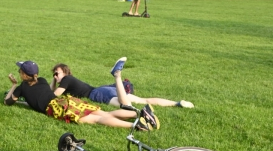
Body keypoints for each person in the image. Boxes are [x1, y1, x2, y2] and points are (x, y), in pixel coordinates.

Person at [4, 59, 159, 130]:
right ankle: (140, 113)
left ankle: (136, 126)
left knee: (98, 119)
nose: (18, 72)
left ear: (24, 75)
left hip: (57, 108)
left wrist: (13, 85)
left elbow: (7, 102)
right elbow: (48, 92)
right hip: (67, 101)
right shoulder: (43, 80)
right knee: (104, 112)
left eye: (20, 71)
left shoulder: (22, 88)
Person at [50, 62, 194, 109]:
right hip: (106, 89)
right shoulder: (66, 80)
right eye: (54, 74)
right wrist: (54, 80)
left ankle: (117, 75)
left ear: (66, 72)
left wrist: (55, 82)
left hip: (97, 94)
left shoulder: (67, 79)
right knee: (144, 100)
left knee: (125, 106)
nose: (56, 76)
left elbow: (52, 95)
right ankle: (177, 103)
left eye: (57, 73)